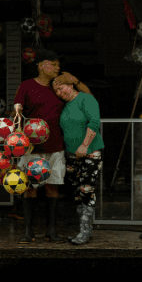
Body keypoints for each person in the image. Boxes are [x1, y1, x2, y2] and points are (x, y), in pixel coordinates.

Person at [12, 50, 89, 243]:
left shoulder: (60, 87)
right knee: (30, 187)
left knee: (53, 187)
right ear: (40, 65)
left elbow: (88, 99)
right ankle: (28, 232)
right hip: (31, 148)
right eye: (53, 64)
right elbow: (16, 114)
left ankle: (51, 231)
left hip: (56, 146)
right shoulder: (26, 86)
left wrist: (75, 81)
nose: (57, 67)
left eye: (58, 64)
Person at [53, 80, 104, 245]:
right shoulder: (65, 106)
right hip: (71, 154)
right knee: (76, 192)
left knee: (86, 189)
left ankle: (84, 231)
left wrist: (84, 145)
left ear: (70, 85)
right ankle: (85, 231)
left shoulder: (86, 99)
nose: (59, 93)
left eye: (61, 88)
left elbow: (94, 122)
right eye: (56, 91)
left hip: (90, 151)